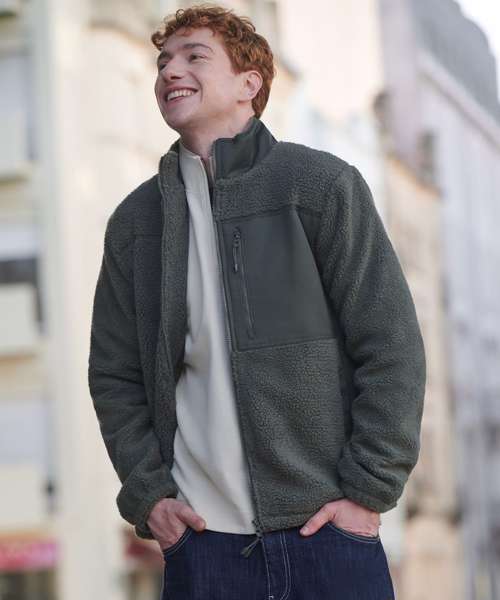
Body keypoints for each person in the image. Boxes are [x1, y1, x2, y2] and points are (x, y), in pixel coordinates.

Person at [88, 4, 426, 599]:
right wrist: (151, 497)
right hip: (204, 547)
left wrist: (367, 491)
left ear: (250, 84)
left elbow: (391, 346)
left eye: (195, 57)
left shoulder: (320, 186)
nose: (170, 71)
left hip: (327, 534)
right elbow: (114, 375)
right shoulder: (135, 224)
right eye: (163, 62)